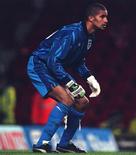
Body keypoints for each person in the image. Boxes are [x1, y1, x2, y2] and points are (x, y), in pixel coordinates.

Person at [27, 2, 108, 153]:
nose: (106, 20)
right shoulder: (72, 33)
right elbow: (52, 60)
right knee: (67, 99)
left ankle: (64, 144)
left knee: (82, 102)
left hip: (54, 68)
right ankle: (41, 144)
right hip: (40, 64)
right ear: (91, 18)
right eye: (102, 16)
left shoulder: (90, 37)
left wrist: (89, 78)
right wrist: (70, 84)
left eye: (106, 17)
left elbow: (78, 61)